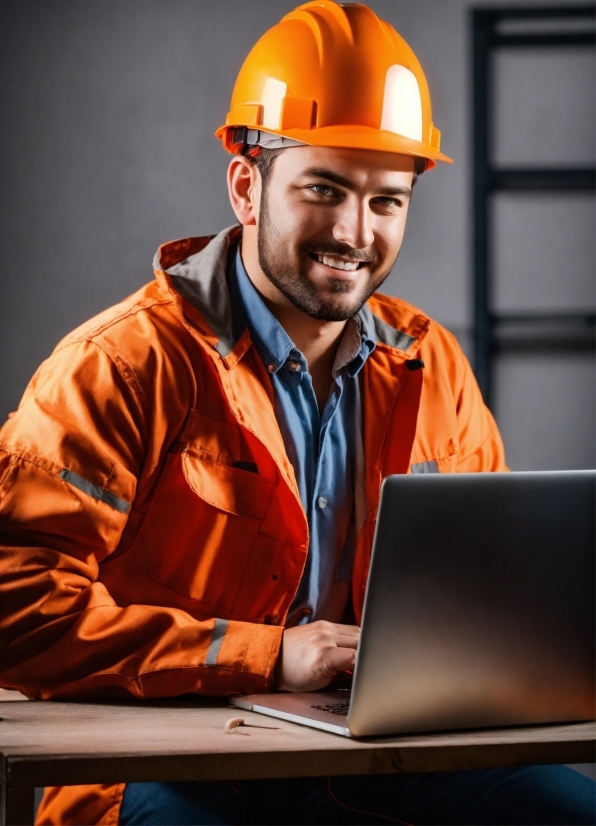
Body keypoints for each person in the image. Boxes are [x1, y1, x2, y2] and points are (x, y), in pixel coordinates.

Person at [0, 2, 594, 824]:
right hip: (160, 765)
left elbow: (492, 597)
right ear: (248, 186)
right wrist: (266, 656)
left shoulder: (434, 366)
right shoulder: (122, 366)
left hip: (374, 760)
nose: (356, 231)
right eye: (324, 188)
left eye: (388, 201)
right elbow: (15, 606)